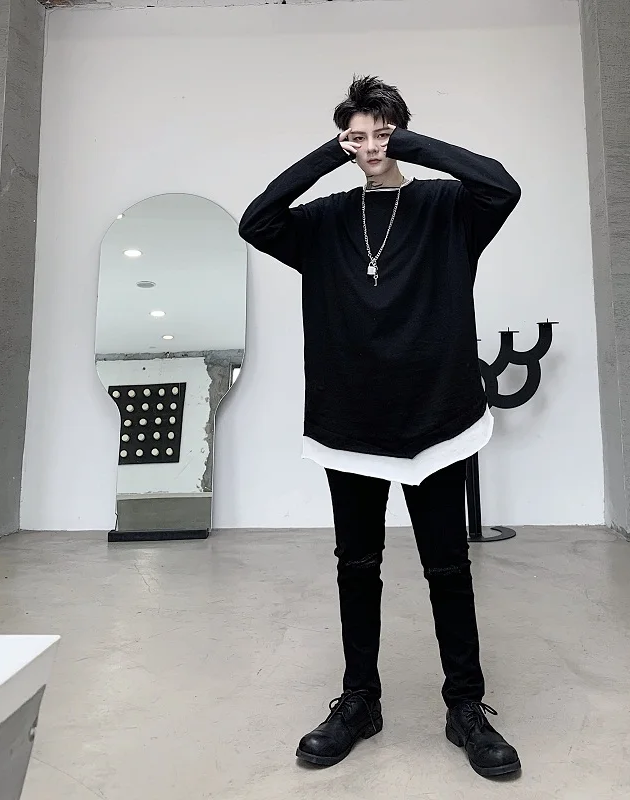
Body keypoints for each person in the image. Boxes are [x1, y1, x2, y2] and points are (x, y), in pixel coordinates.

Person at [239, 76, 522, 778]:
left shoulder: (447, 207)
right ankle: (360, 700)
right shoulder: (325, 221)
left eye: (381, 133)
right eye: (357, 136)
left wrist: (410, 145)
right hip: (350, 417)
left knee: (448, 569)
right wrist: (326, 156)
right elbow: (256, 221)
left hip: (437, 413)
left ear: (402, 131)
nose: (370, 147)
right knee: (357, 567)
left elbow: (502, 186)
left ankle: (465, 706)